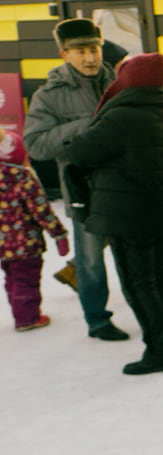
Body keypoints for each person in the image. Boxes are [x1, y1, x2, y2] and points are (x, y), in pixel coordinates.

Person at [63, 54, 163, 375]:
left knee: (139, 284)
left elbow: (78, 151)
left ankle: (161, 351)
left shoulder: (121, 116)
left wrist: (70, 139)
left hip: (128, 216)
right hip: (162, 212)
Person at [22, 18, 130, 342]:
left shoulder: (119, 82)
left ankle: (145, 308)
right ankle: (97, 321)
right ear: (64, 54)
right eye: (80, 51)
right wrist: (86, 125)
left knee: (130, 256)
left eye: (94, 49)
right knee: (91, 262)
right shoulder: (48, 96)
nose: (90, 58)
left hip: (124, 186)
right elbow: (36, 144)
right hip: (83, 192)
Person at [0, 124, 69, 331]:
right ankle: (27, 318)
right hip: (25, 242)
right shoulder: (22, 176)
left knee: (11, 277)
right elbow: (40, 209)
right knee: (26, 278)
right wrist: (59, 234)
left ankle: (19, 309)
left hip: (2, 245)